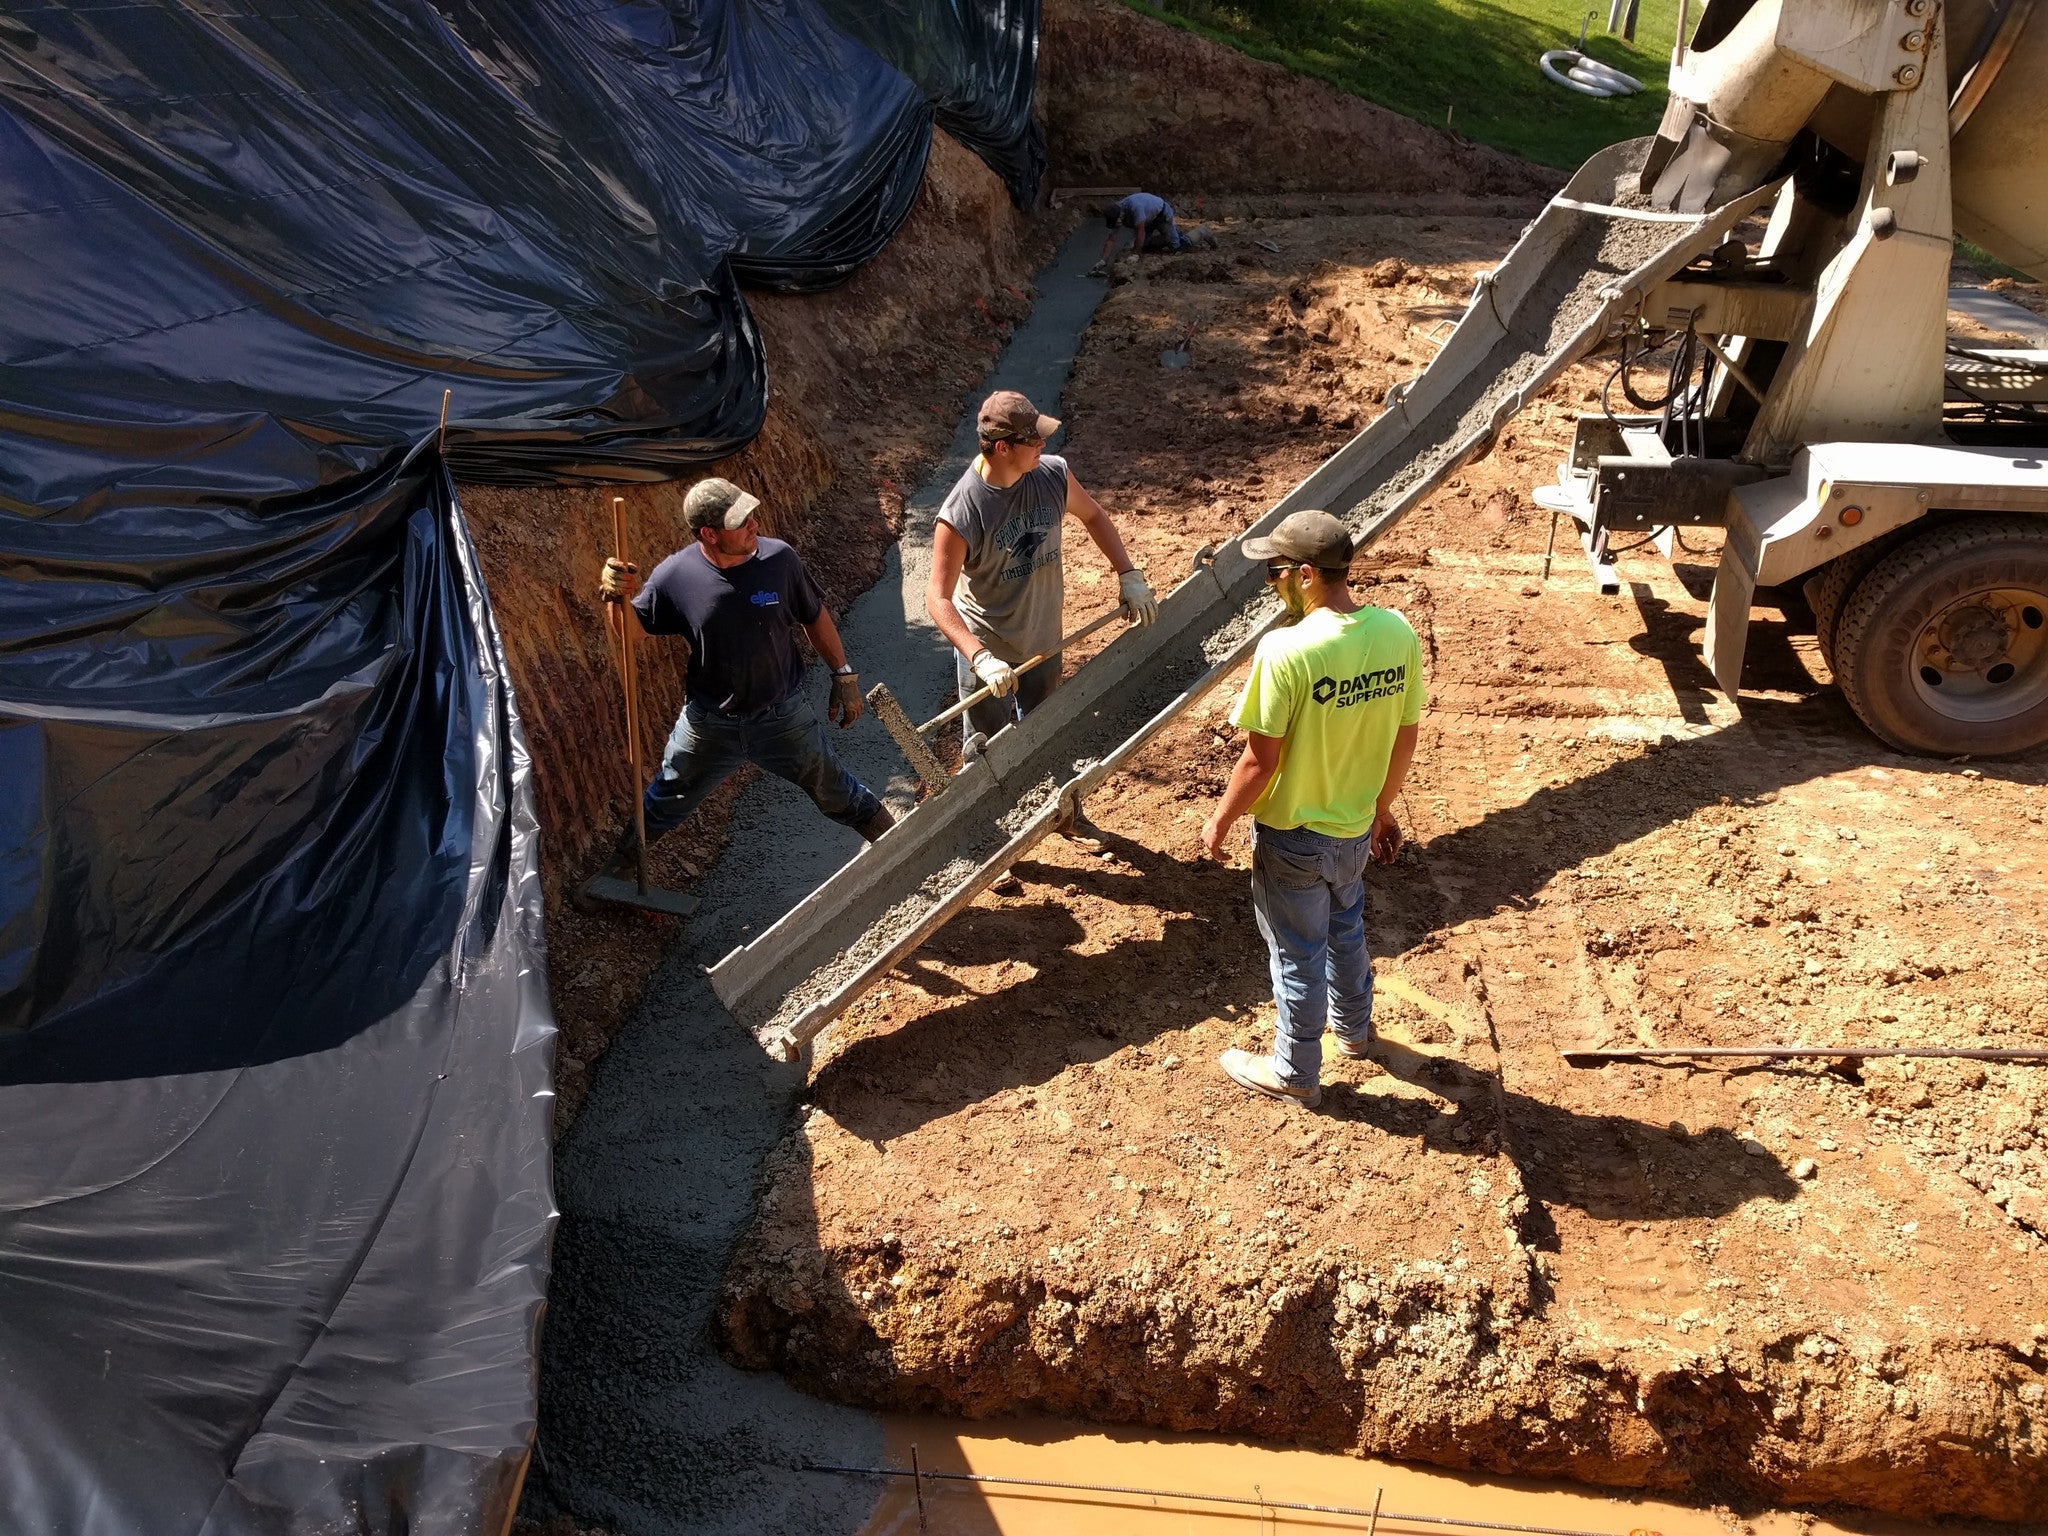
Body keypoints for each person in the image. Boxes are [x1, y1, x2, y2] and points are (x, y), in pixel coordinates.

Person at [1201, 510, 1425, 1108]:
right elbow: (1406, 734)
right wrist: (1382, 810)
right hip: (1353, 827)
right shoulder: (1397, 634)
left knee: (1297, 950)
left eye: (1273, 572)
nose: (1271, 583)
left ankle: (1295, 1070)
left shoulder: (1286, 650)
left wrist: (1220, 819)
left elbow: (1259, 761)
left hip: (1293, 835)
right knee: (1346, 928)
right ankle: (1355, 1033)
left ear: (1305, 574)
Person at [587, 478, 891, 890]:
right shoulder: (676, 576)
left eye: (750, 513)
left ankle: (901, 846)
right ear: (709, 534)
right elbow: (631, 634)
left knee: (834, 788)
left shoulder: (779, 560)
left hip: (781, 717)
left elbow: (813, 615)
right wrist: (614, 597)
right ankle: (614, 875)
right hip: (710, 725)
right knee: (665, 799)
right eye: (739, 520)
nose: (753, 523)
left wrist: (843, 674)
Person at [926, 389, 1158, 848]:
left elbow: (1093, 516)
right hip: (989, 651)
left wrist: (1129, 574)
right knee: (985, 754)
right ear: (1002, 448)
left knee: (1050, 731)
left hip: (1044, 639)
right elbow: (937, 599)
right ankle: (989, 842)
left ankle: (1068, 815)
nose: (1043, 447)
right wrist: (979, 658)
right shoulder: (961, 512)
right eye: (1034, 441)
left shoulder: (1053, 475)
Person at [1097, 191, 1214, 268]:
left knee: (1176, 247)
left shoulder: (1135, 207)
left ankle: (1202, 231)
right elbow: (1111, 239)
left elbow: (1140, 231)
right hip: (1147, 219)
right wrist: (1103, 260)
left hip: (1161, 214)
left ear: (1121, 216)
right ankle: (1170, 236)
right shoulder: (1116, 212)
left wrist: (1135, 254)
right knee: (1140, 246)